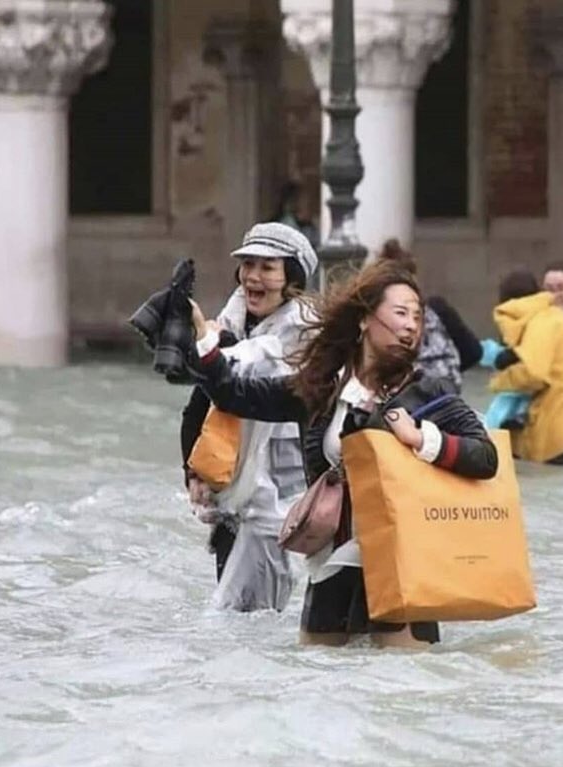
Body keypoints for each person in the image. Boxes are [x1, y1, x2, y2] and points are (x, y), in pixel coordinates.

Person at [188, 260, 498, 647]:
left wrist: (421, 439)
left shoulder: (426, 392)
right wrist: (203, 340)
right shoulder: (321, 388)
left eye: (417, 317)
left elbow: (486, 457)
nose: (411, 326)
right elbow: (234, 394)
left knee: (405, 679)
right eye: (401, 313)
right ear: (365, 319)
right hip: (329, 566)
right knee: (320, 676)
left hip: (401, 567)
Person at [181, 222, 318, 612]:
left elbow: (236, 384)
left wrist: (209, 345)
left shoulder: (304, 335)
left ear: (292, 277)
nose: (253, 277)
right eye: (247, 265)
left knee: (253, 619)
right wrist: (193, 473)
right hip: (232, 498)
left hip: (282, 505)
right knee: (234, 622)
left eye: (267, 267)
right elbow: (201, 404)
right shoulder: (233, 321)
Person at [487, 269, 563, 466]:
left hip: (561, 429)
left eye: (561, 287)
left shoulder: (543, 321)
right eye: (550, 287)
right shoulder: (551, 319)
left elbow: (533, 374)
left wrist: (499, 382)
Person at [376, 239, 482, 392]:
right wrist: (446, 371)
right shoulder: (437, 308)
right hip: (446, 395)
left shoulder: (379, 318)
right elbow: (474, 352)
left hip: (404, 397)